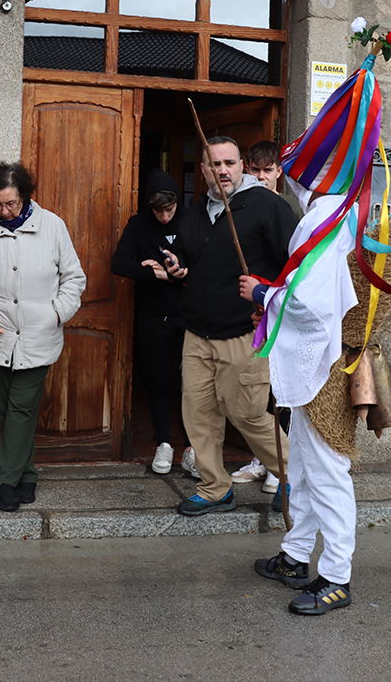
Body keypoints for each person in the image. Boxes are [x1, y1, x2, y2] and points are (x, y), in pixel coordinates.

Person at [244, 173, 360, 615]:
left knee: (327, 471)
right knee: (306, 470)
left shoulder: (331, 218)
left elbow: (312, 307)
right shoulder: (329, 214)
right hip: (320, 365)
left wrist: (262, 294)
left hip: (327, 369)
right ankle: (295, 555)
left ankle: (336, 577)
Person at [163, 136, 297, 515]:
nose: (222, 170)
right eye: (214, 164)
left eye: (229, 163)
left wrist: (267, 298)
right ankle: (214, 489)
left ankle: (297, 478)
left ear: (241, 166)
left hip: (243, 332)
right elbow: (187, 260)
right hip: (196, 333)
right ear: (203, 170)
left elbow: (296, 267)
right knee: (199, 415)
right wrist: (176, 267)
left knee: (248, 413)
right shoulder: (196, 212)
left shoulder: (268, 206)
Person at [0, 162, 86, 512]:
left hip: (38, 337)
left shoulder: (53, 226)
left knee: (21, 409)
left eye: (10, 204)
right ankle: (28, 474)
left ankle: (7, 481)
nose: (3, 211)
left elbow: (74, 278)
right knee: (5, 410)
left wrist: (55, 313)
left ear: (25, 197)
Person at [111, 169, 187, 474]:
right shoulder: (138, 224)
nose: (165, 217)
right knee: (158, 382)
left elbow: (205, 264)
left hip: (188, 316)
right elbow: (118, 262)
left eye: (170, 210)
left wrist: (173, 274)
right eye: (159, 212)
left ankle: (193, 447)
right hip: (153, 317)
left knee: (190, 384)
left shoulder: (191, 219)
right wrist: (150, 273)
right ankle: (164, 443)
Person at [233, 140, 288, 492]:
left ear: (279, 172)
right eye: (255, 170)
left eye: (268, 170)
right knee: (255, 394)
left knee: (281, 392)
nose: (261, 176)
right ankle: (262, 459)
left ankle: (280, 466)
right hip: (247, 311)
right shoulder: (240, 206)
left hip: (279, 311)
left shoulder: (287, 210)